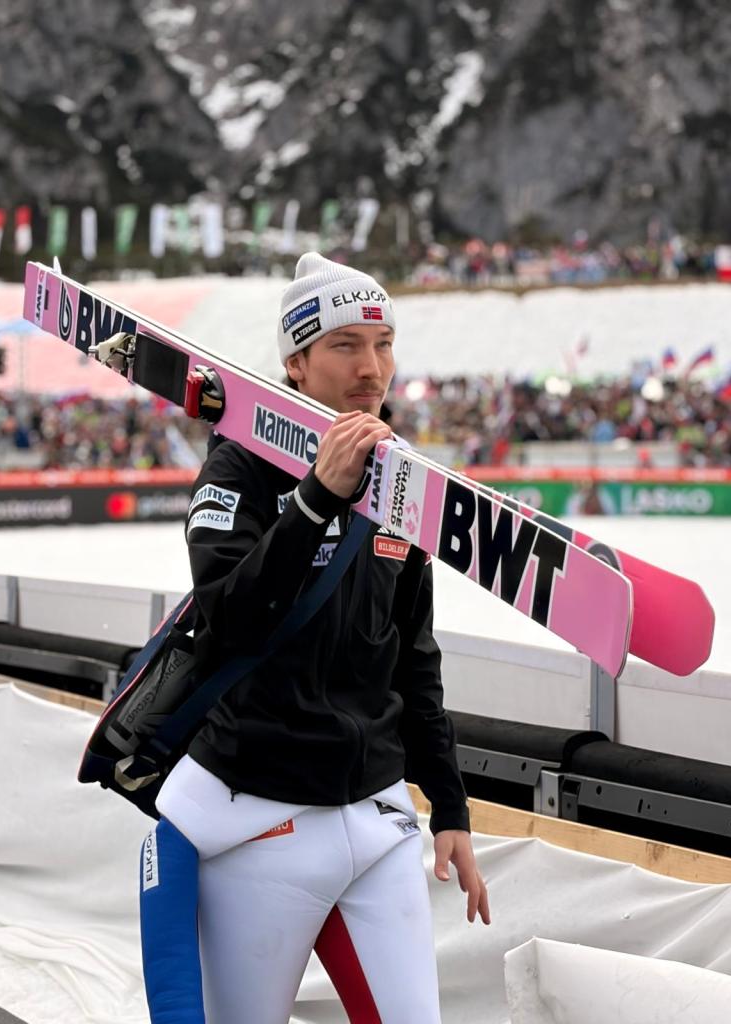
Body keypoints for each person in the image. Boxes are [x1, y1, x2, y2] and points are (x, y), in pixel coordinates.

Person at [144, 252, 490, 1024]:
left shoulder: (403, 477)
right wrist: (314, 501)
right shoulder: (237, 467)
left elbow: (413, 656)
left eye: (385, 344)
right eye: (345, 345)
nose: (373, 368)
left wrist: (451, 807)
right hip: (257, 817)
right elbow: (229, 618)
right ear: (296, 362)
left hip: (377, 815)